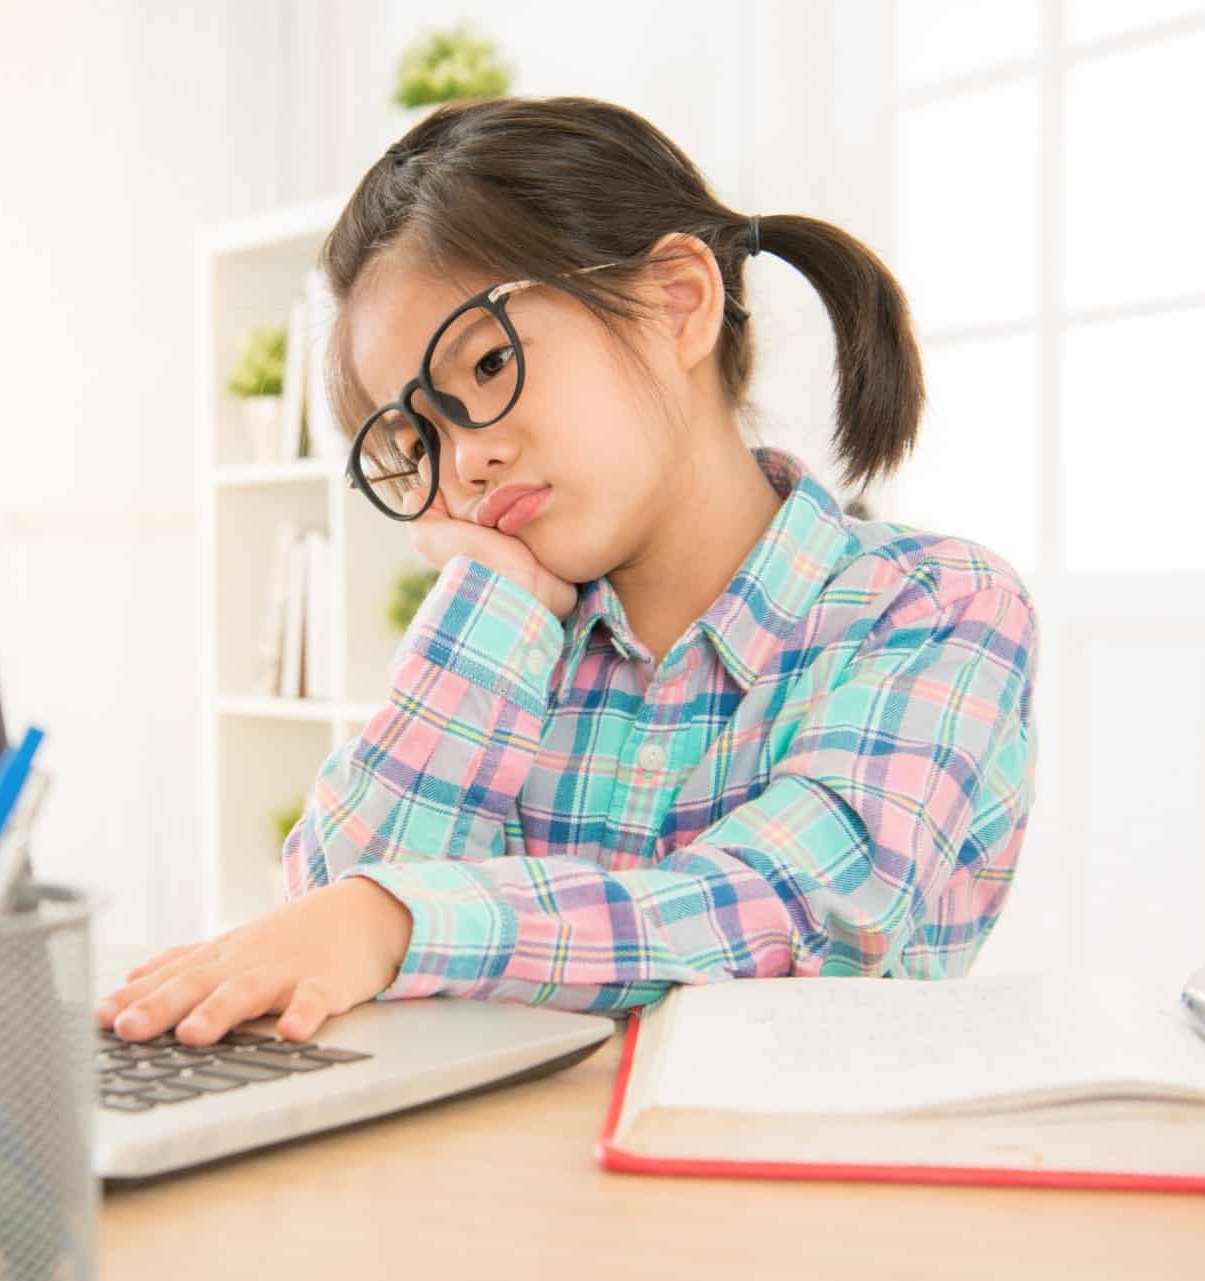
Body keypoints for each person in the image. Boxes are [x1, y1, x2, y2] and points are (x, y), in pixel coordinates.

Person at [96, 95, 1040, 1048]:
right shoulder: (505, 646)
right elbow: (324, 948)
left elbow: (799, 916)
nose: (461, 464)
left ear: (678, 302)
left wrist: (403, 922)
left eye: (490, 364)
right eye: (415, 438)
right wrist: (495, 608)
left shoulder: (935, 608)